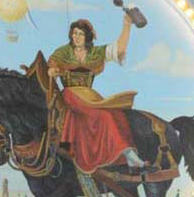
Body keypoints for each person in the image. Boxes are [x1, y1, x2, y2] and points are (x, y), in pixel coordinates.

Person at [48, 16, 146, 175]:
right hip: (70, 95)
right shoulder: (63, 52)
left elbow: (119, 49)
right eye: (74, 33)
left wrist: (127, 25)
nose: (76, 37)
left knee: (116, 114)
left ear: (87, 36)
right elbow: (51, 66)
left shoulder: (95, 53)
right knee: (103, 116)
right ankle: (127, 152)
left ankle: (127, 154)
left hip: (90, 96)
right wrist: (52, 71)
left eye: (80, 34)